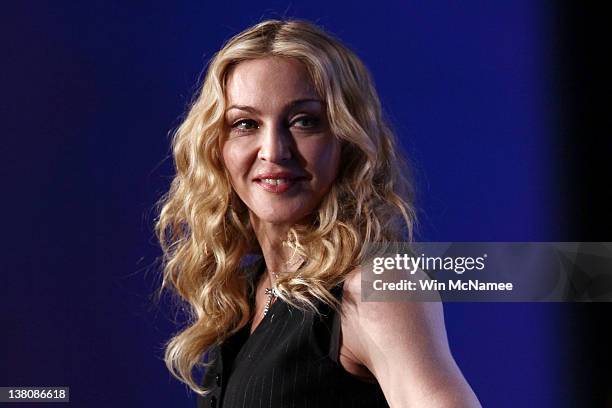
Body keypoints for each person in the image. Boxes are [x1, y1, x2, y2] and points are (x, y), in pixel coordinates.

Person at [156, 19, 481, 407]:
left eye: (304, 121)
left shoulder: (375, 285)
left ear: (346, 139)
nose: (274, 151)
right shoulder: (245, 297)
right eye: (246, 124)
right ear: (217, 147)